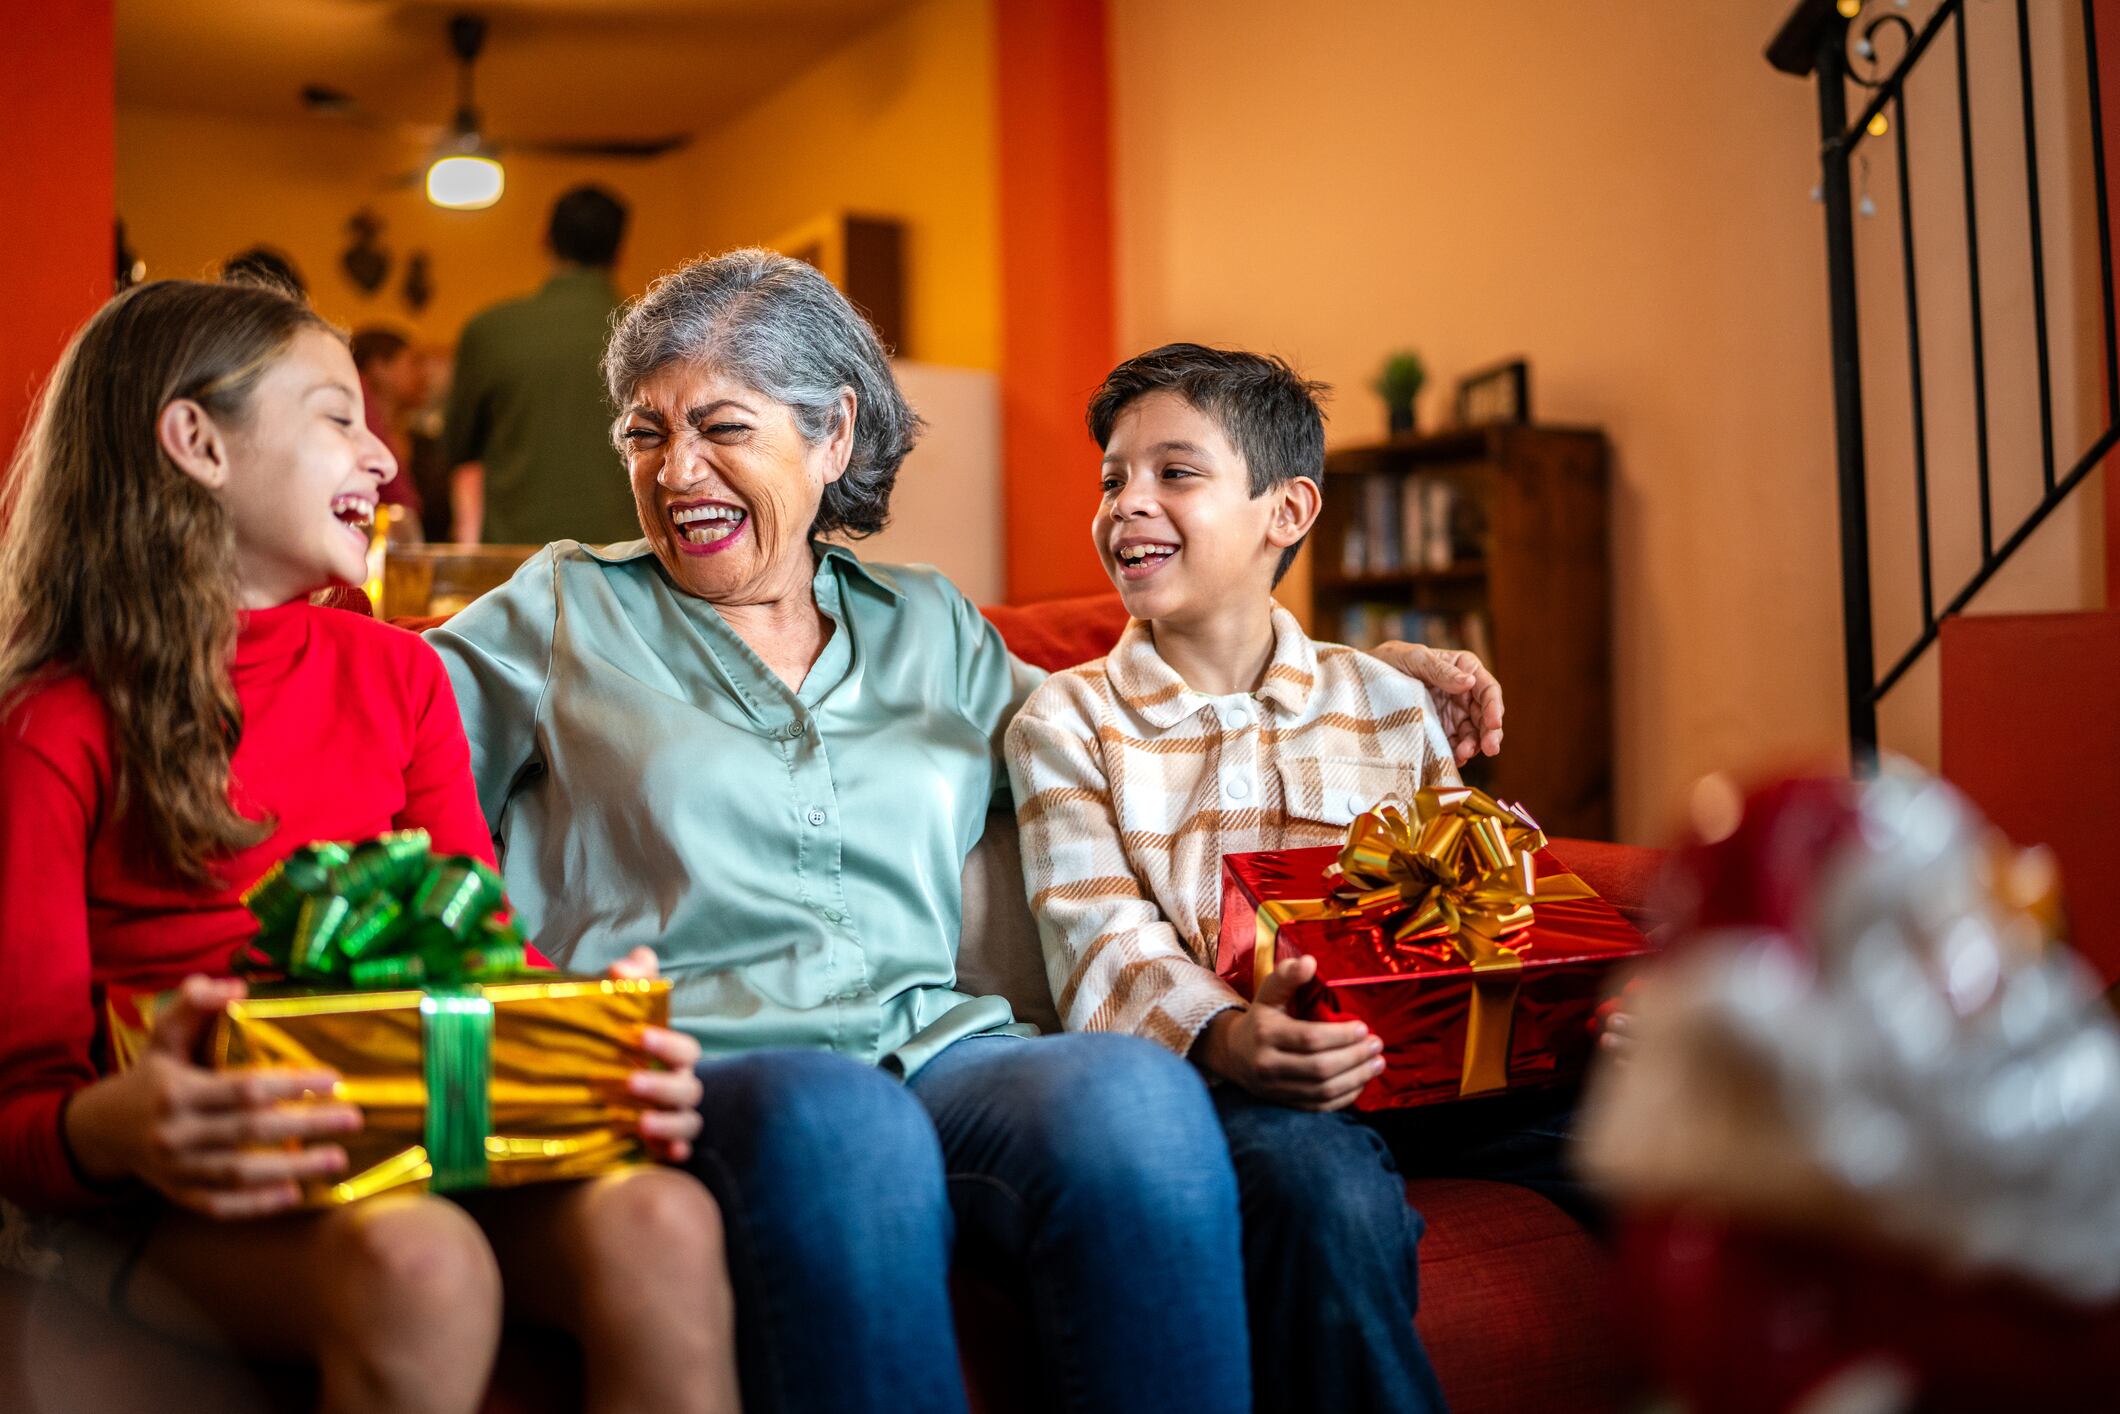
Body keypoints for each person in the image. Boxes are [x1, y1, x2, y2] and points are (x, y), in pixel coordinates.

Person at [0, 279, 737, 1414]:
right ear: (196, 441)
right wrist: (125, 1130)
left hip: (404, 1133)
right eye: (337, 416)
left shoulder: (398, 677)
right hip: (165, 1198)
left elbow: (477, 958)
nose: (386, 458)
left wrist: (593, 1047)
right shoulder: (55, 726)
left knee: (664, 1219)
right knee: (419, 1262)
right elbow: (22, 1104)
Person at [1007, 343, 1573, 1414]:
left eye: (1174, 473)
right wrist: (1227, 1035)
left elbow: (1472, 899)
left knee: (1676, 1124)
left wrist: (1571, 1001)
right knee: (1309, 1186)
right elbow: (1098, 936)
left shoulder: (1387, 699)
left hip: (1419, 1073)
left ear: (1287, 510)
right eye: (1111, 478)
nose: (1127, 503)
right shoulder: (1066, 718)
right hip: (1237, 1084)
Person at [441, 185, 640, 547]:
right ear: (620, 251)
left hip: (516, 569)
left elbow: (457, 449)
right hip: (631, 563)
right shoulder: (653, 332)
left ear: (545, 240)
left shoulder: (490, 331)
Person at [350, 326, 424, 528]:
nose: (422, 374)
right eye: (413, 363)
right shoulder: (357, 430)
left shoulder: (417, 438)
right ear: (379, 368)